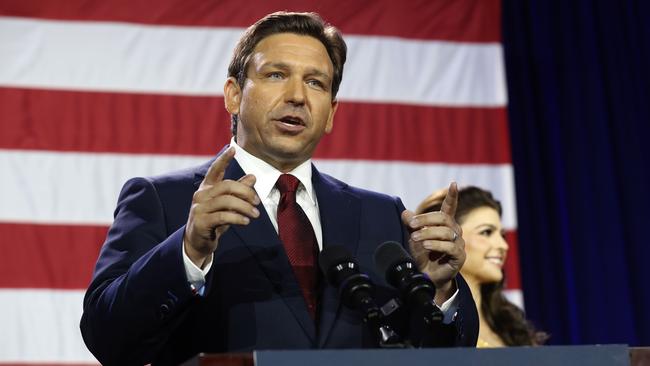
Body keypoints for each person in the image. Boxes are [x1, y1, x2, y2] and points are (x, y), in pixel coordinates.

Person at [80, 12, 478, 365]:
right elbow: (108, 340)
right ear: (233, 95)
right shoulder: (165, 201)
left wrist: (438, 290)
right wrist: (188, 251)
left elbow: (433, 354)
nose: (297, 96)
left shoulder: (382, 215)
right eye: (276, 75)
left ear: (331, 114)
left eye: (315, 82)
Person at [417, 186, 547, 347]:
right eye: (486, 232)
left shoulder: (511, 324)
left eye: (502, 235)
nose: (504, 246)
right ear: (445, 238)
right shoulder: (419, 321)